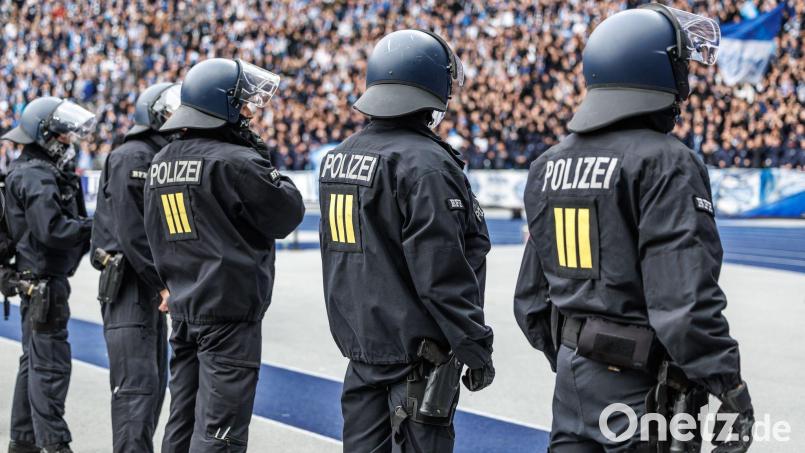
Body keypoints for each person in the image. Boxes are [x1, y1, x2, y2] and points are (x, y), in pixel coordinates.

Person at [513, 5, 754, 452]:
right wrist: (728, 385)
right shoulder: (667, 162)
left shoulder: (547, 166)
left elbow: (530, 302)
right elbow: (683, 302)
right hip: (643, 392)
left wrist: (575, 353)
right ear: (657, 73)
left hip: (571, 386)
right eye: (681, 66)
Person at [319, 30, 495, 453]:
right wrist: (475, 347)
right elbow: (442, 274)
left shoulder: (338, 158)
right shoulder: (427, 165)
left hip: (362, 355)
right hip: (416, 364)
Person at [143, 58, 305, 453]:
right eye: (243, 103)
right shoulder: (236, 161)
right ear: (223, 106)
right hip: (229, 313)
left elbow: (152, 232)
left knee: (182, 419)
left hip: (184, 304)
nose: (249, 111)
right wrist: (258, 153)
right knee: (221, 431)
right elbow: (287, 213)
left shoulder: (161, 161)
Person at [90, 82, 181, 453]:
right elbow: (134, 233)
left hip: (142, 286)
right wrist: (163, 284)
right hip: (130, 286)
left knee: (151, 388)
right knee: (137, 393)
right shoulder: (134, 156)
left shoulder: (153, 154)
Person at [2, 97, 96, 453]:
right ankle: (54, 445)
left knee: (33, 363)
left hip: (35, 283)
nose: (69, 141)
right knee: (50, 369)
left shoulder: (29, 169)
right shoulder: (36, 175)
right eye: (63, 135)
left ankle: (23, 442)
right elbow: (53, 230)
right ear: (45, 136)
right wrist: (97, 225)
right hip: (44, 286)